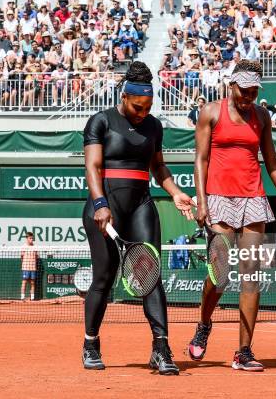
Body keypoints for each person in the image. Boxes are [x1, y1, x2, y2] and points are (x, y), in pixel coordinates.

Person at [189, 60, 276, 371]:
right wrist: (202, 203)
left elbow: (272, 162)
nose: (248, 97)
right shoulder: (211, 113)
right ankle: (204, 323)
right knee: (220, 276)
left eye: (254, 92)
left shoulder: (262, 116)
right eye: (245, 91)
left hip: (254, 199)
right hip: (218, 199)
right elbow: (200, 160)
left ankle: (244, 351)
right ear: (232, 85)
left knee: (252, 275)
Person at [81, 62, 194, 375]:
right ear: (124, 96)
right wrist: (101, 204)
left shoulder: (154, 126)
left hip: (141, 203)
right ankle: (91, 343)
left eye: (148, 107)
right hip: (105, 206)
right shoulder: (101, 121)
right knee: (104, 278)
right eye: (137, 107)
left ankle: (161, 348)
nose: (143, 113)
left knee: (151, 276)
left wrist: (174, 192)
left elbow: (158, 168)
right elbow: (92, 168)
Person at [20, 232, 38, 301]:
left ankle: (32, 298)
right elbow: (21, 257)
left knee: (32, 282)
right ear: (27, 238)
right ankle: (22, 297)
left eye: (32, 238)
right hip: (25, 267)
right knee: (24, 282)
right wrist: (25, 264)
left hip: (33, 267)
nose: (31, 240)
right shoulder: (24, 246)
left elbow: (36, 256)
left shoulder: (35, 247)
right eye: (30, 238)